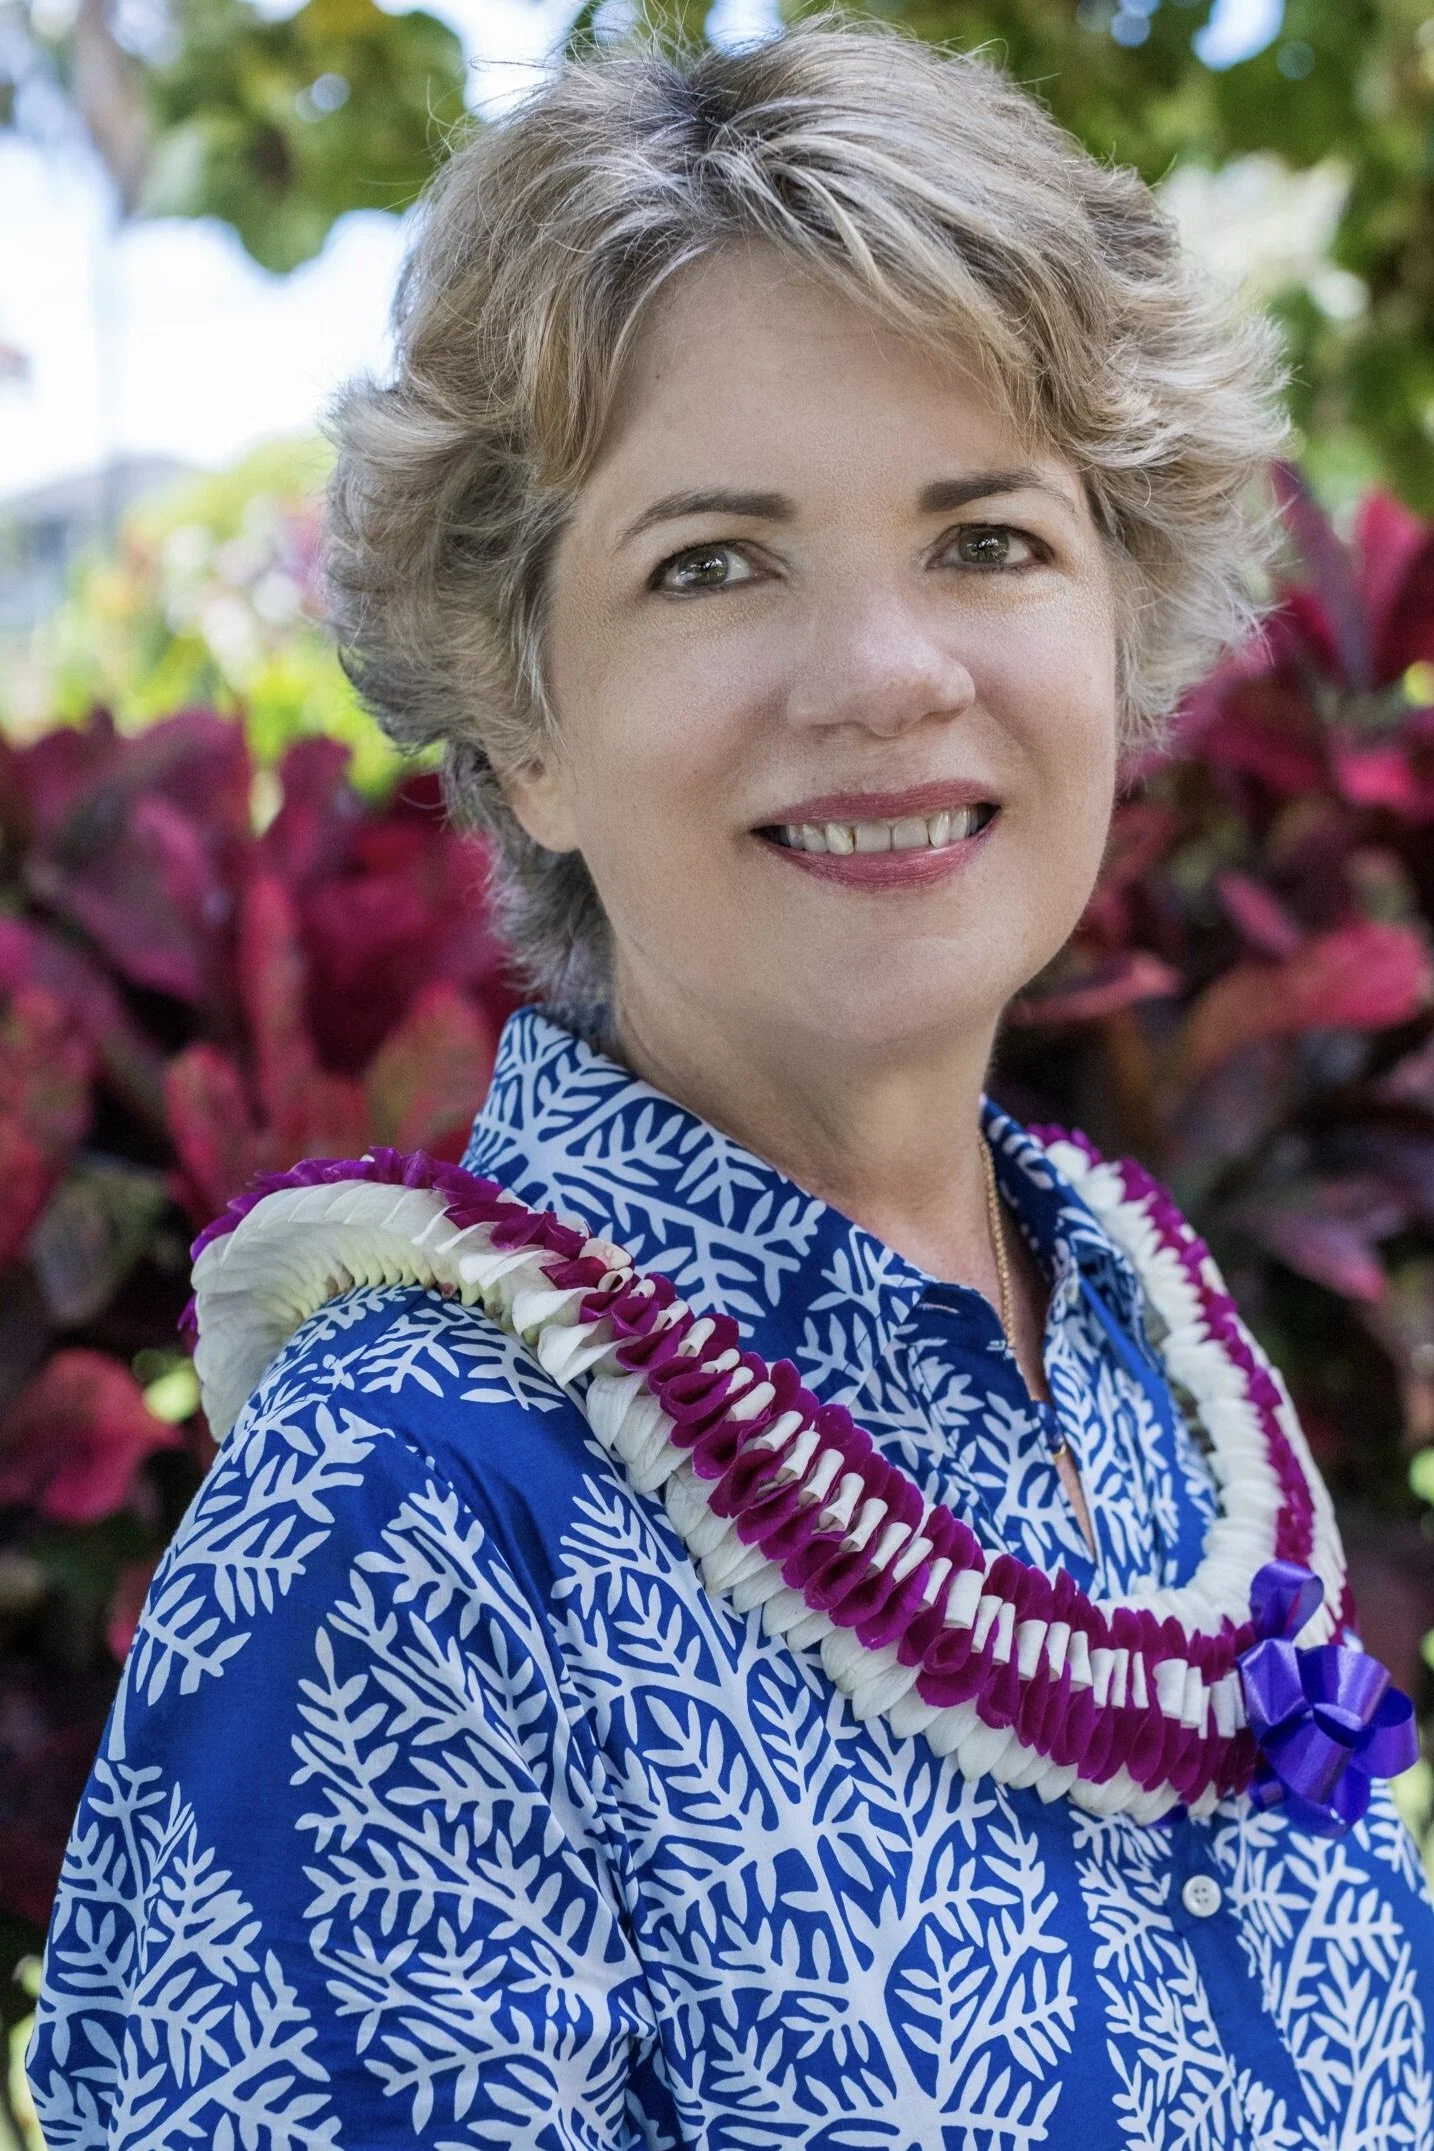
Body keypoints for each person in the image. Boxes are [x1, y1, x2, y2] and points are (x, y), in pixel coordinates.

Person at [28, 20, 1434, 2149]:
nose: (884, 672)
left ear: (1121, 626)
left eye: (986, 538)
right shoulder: (407, 1512)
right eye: (712, 561)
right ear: (523, 722)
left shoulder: (1165, 1369)